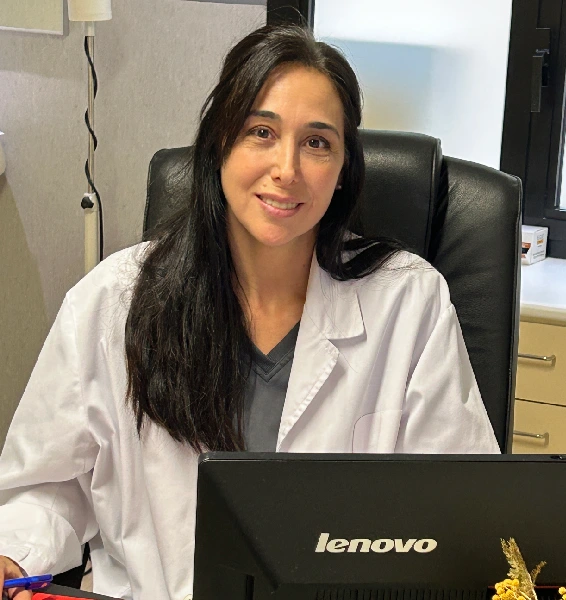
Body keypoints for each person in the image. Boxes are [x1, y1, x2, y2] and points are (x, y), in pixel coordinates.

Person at [0, 24, 499, 600]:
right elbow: (46, 487)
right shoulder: (113, 301)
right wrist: (13, 554)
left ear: (343, 169)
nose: (287, 168)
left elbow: (460, 511)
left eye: (317, 143)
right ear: (219, 144)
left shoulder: (409, 302)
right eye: (261, 132)